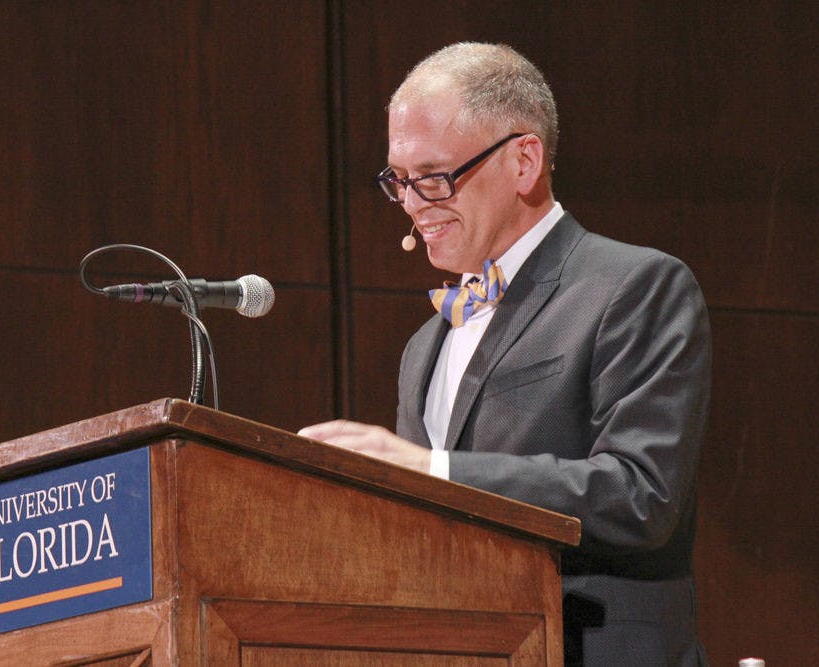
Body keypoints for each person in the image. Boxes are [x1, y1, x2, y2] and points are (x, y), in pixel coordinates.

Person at [299, 42, 711, 666]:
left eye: (434, 177)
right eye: (399, 182)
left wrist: (428, 471)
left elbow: (641, 495)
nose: (412, 205)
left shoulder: (634, 287)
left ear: (524, 161)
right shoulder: (421, 348)